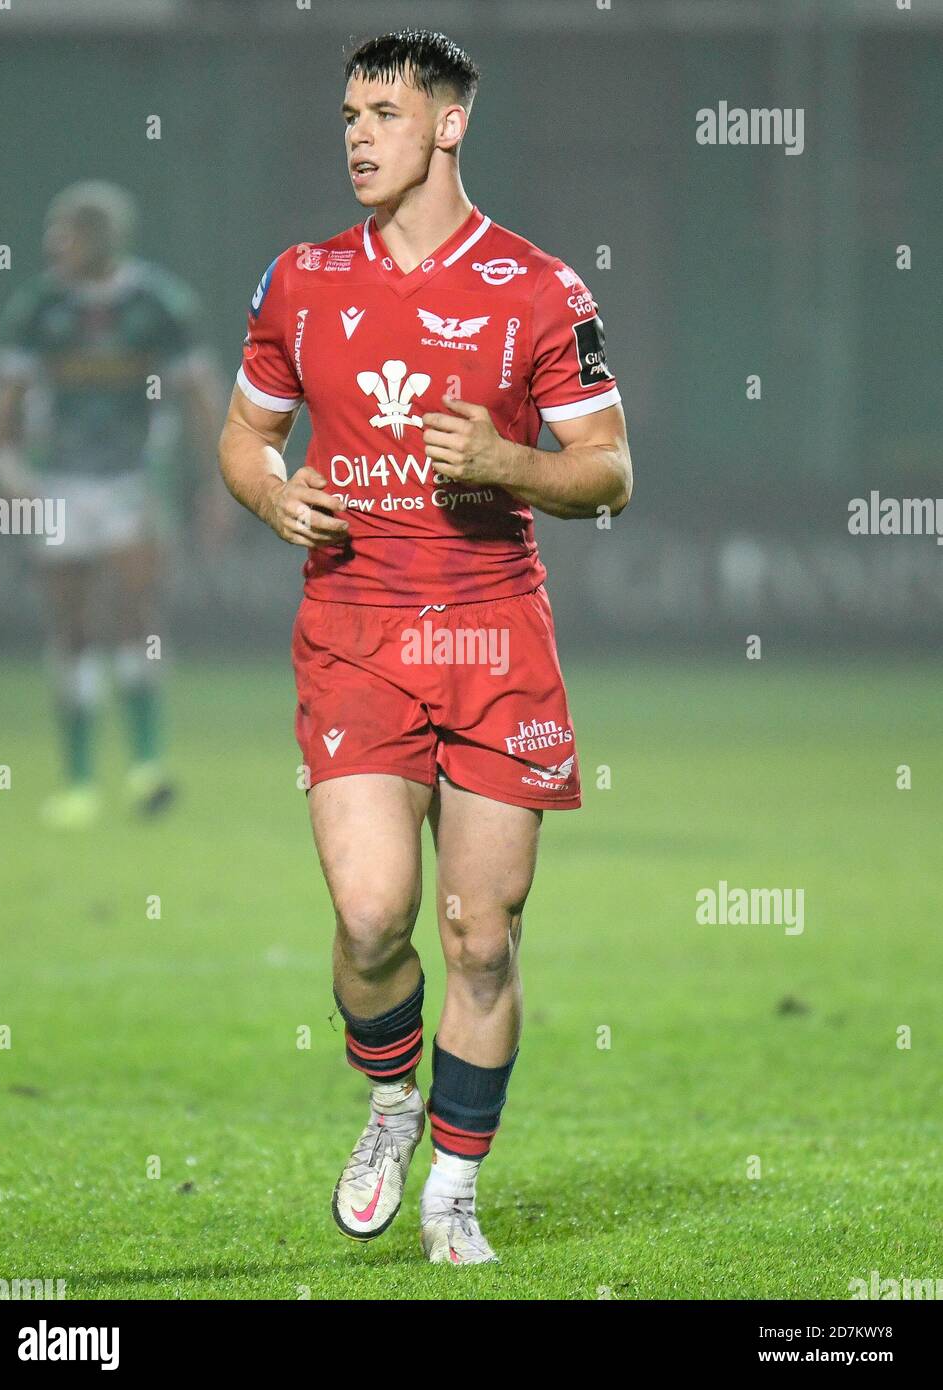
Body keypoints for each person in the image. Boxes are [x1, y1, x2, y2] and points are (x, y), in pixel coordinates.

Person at [218, 28, 633, 1264]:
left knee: (483, 937)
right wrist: (269, 493)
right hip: (354, 625)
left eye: (385, 113)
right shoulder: (299, 278)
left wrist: (507, 463)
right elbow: (245, 435)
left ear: (449, 125)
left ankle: (455, 1187)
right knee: (369, 917)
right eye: (349, 112)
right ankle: (392, 1102)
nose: (357, 134)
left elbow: (610, 471)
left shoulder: (539, 287)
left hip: (497, 629)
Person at [0, 181, 226, 828]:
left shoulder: (158, 305)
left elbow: (200, 396)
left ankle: (148, 766)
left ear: (101, 239)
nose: (53, 245)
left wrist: (216, 482)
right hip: (56, 481)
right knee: (71, 630)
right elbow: (2, 404)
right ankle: (79, 784)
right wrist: (7, 470)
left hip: (133, 481)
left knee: (136, 616)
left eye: (67, 233)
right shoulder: (38, 309)